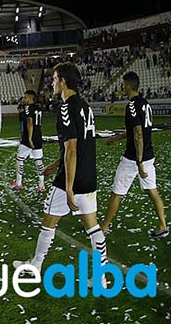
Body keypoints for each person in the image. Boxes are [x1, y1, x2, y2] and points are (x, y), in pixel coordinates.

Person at [15, 63, 108, 286]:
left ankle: (35, 266)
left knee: (48, 222)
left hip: (72, 178)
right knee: (93, 226)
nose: (52, 83)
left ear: (63, 81)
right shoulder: (85, 107)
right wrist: (56, 164)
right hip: (88, 175)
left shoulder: (66, 108)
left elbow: (73, 149)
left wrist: (67, 186)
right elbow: (78, 146)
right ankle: (100, 277)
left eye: (55, 78)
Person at [101, 71, 167, 238]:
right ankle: (162, 225)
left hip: (134, 159)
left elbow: (138, 134)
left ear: (128, 86)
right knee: (153, 191)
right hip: (148, 155)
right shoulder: (145, 103)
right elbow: (138, 130)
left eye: (123, 85)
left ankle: (104, 226)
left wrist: (138, 161)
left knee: (117, 192)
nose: (122, 88)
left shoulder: (131, 105)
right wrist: (117, 138)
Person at [9, 90, 45, 192]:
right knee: (38, 160)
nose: (24, 99)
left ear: (30, 98)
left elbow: (30, 122)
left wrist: (29, 138)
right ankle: (41, 185)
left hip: (29, 137)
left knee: (19, 159)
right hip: (38, 136)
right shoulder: (38, 108)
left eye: (25, 97)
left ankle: (18, 183)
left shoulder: (28, 108)